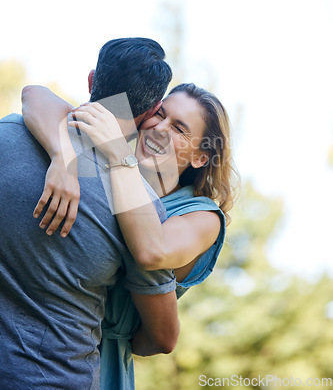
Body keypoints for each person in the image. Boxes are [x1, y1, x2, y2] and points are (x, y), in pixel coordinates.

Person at [22, 78, 240, 389]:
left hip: (97, 361)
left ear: (199, 158)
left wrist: (119, 158)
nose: (161, 129)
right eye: (160, 113)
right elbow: (35, 95)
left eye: (180, 129)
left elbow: (152, 254)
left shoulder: (202, 217)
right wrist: (62, 157)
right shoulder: (106, 153)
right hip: (33, 321)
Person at [0, 37, 182, 390]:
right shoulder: (141, 209)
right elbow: (163, 338)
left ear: (91, 79)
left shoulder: (9, 132)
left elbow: (34, 94)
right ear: (150, 111)